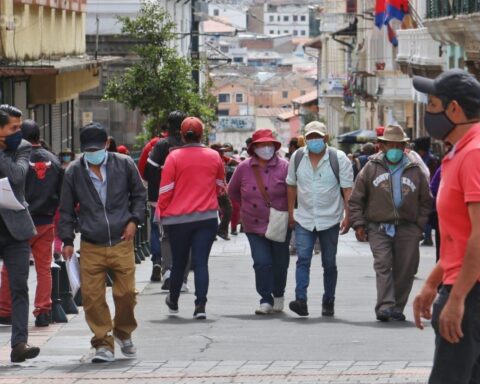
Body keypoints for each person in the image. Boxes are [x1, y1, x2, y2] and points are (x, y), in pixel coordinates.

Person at [412, 69, 480, 384]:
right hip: (463, 285)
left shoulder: (475, 154)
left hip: (472, 293)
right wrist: (432, 283)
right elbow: (458, 237)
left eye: (433, 104)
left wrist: (457, 299)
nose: (429, 112)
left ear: (454, 109)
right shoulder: (460, 153)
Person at [59, 122, 146, 363]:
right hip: (90, 243)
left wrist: (134, 221)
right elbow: (66, 209)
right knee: (92, 298)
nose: (93, 154)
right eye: (88, 150)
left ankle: (123, 331)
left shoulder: (124, 164)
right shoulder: (74, 172)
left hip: (121, 240)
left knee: (126, 293)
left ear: (107, 143)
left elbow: (139, 195)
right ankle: (102, 343)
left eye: (97, 148)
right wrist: (67, 240)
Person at [349, 124, 432, 322]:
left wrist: (419, 225)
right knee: (383, 264)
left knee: (407, 269)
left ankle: (397, 306)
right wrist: (359, 224)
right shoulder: (371, 167)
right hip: (379, 226)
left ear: (404, 146)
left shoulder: (415, 168)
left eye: (398, 145)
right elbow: (356, 198)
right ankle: (385, 306)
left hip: (408, 227)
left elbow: (426, 200)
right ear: (383, 146)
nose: (394, 148)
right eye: (390, 144)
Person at [157, 117, 225, 320]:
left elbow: (166, 189)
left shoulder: (174, 157)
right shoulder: (214, 156)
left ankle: (174, 301)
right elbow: (221, 186)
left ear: (181, 134)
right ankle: (200, 305)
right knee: (201, 262)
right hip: (206, 217)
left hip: (178, 220)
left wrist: (161, 211)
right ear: (201, 134)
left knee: (179, 262)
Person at [287, 121, 353, 317]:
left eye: (318, 137)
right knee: (303, 259)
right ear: (305, 139)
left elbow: (347, 190)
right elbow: (291, 185)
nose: (314, 140)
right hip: (304, 217)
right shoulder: (297, 157)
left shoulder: (338, 158)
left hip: (330, 218)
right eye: (310, 137)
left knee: (329, 262)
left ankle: (328, 300)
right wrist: (291, 213)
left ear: (326, 138)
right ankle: (301, 300)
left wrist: (348, 216)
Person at [0, 120, 63, 328]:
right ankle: (43, 311)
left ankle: (5, 310)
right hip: (45, 221)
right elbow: (60, 192)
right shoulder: (53, 159)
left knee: (10, 268)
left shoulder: (17, 157)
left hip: (19, 222)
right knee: (44, 267)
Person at [228, 129, 290, 314]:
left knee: (280, 262)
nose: (266, 148)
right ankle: (265, 298)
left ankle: (278, 293)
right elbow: (232, 191)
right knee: (261, 262)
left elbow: (293, 193)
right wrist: (247, 206)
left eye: (269, 144)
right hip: (253, 224)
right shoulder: (243, 167)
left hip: (279, 222)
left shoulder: (285, 166)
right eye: (261, 145)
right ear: (254, 148)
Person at [0, 109, 40, 362]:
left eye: (19, 127)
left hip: (16, 230)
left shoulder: (23, 147)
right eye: (13, 128)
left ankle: (19, 344)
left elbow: (16, 176)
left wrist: (2, 151)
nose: (19, 132)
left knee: (19, 287)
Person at [144, 111, 187, 286]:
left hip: (161, 197)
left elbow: (149, 170)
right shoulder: (188, 144)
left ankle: (160, 264)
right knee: (183, 234)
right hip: (184, 197)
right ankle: (180, 271)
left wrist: (156, 191)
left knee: (160, 232)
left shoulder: (162, 145)